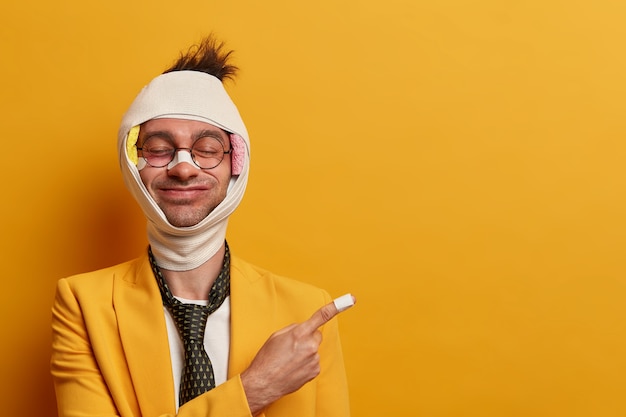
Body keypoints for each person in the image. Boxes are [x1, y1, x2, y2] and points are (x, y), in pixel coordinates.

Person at [50, 35, 355, 417]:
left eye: (207, 149)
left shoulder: (305, 312)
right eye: (159, 148)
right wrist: (254, 389)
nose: (183, 166)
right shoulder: (83, 305)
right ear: (133, 165)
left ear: (236, 164)